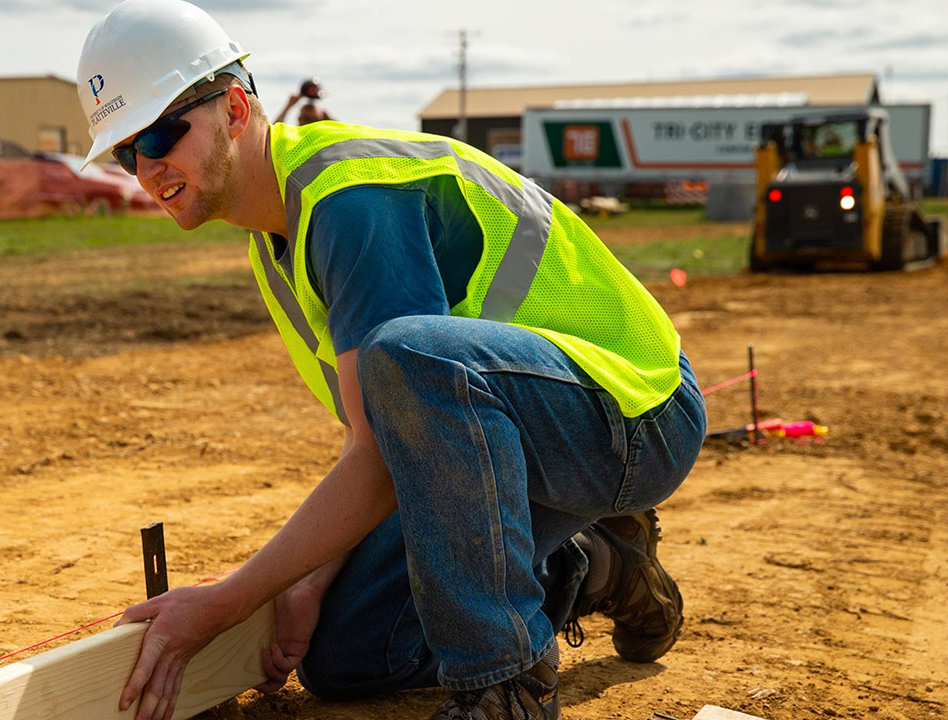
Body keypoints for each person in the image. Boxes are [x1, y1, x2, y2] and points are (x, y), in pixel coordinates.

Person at [75, 2, 706, 719]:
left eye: (161, 132)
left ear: (238, 107)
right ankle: (597, 566)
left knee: (406, 351)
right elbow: (379, 446)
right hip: (518, 441)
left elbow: (409, 389)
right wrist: (308, 584)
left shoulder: (350, 199)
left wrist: (225, 602)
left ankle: (507, 685)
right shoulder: (273, 238)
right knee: (346, 655)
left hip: (636, 414)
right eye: (128, 150)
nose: (148, 168)